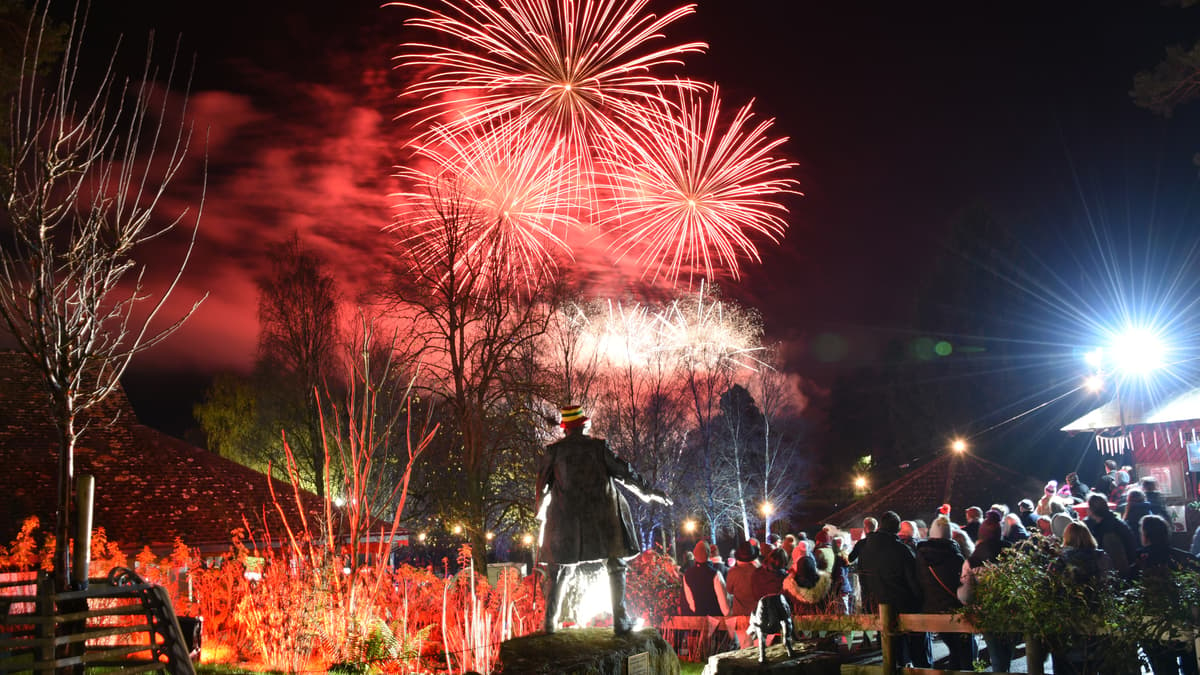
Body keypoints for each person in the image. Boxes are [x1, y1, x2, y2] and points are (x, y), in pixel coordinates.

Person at [537, 405, 671, 634]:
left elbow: (541, 489)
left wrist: (540, 516)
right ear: (584, 425)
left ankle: (550, 623)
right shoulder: (598, 448)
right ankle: (620, 620)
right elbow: (626, 474)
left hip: (567, 521)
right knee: (616, 565)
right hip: (602, 520)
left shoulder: (554, 452)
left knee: (559, 569)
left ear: (565, 430)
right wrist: (650, 493)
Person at [1131, 515, 1200, 675]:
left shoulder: (1140, 560)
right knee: (1191, 665)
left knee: (1163, 667)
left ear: (1145, 535)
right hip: (1186, 621)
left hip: (1153, 625)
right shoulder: (1184, 558)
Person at [858, 512, 928, 667]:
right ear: (896, 529)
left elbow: (863, 579)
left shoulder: (864, 549)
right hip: (904, 606)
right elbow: (913, 581)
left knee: (892, 654)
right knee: (918, 652)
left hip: (879, 605)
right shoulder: (900, 549)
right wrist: (920, 602)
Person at [1047, 522, 1115, 675]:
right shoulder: (1101, 556)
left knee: (1067, 663)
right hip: (1097, 614)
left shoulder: (1059, 560)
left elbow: (1048, 585)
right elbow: (1110, 583)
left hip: (1066, 616)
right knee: (1095, 662)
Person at [915, 516, 975, 670]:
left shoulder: (920, 556)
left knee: (954, 649)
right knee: (963, 652)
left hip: (932, 608)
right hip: (954, 609)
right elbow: (961, 584)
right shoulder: (955, 556)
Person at [959, 509, 1013, 672]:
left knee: (996, 656)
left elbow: (967, 595)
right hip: (1011, 610)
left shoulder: (973, 560)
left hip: (987, 612)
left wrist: (960, 593)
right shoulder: (1012, 553)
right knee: (1006, 655)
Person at [1084, 494, 1137, 578]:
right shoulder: (1115, 523)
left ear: (1091, 509)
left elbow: (1116, 558)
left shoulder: (1108, 530)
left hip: (1116, 576)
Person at [682, 540, 730, 618]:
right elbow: (724, 604)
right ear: (708, 553)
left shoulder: (687, 575)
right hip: (717, 619)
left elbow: (691, 602)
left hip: (700, 619)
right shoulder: (715, 574)